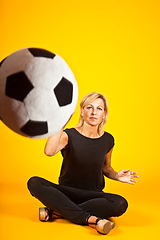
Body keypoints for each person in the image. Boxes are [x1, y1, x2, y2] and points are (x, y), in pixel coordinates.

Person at [27, 92, 139, 235]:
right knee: (34, 182)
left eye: (99, 109)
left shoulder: (108, 140)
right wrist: (60, 122)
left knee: (120, 203)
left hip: (93, 195)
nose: (94, 112)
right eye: (89, 107)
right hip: (66, 192)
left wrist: (116, 175)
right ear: (81, 111)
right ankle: (91, 219)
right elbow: (49, 151)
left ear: (104, 114)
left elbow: (106, 167)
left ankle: (58, 211)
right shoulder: (68, 135)